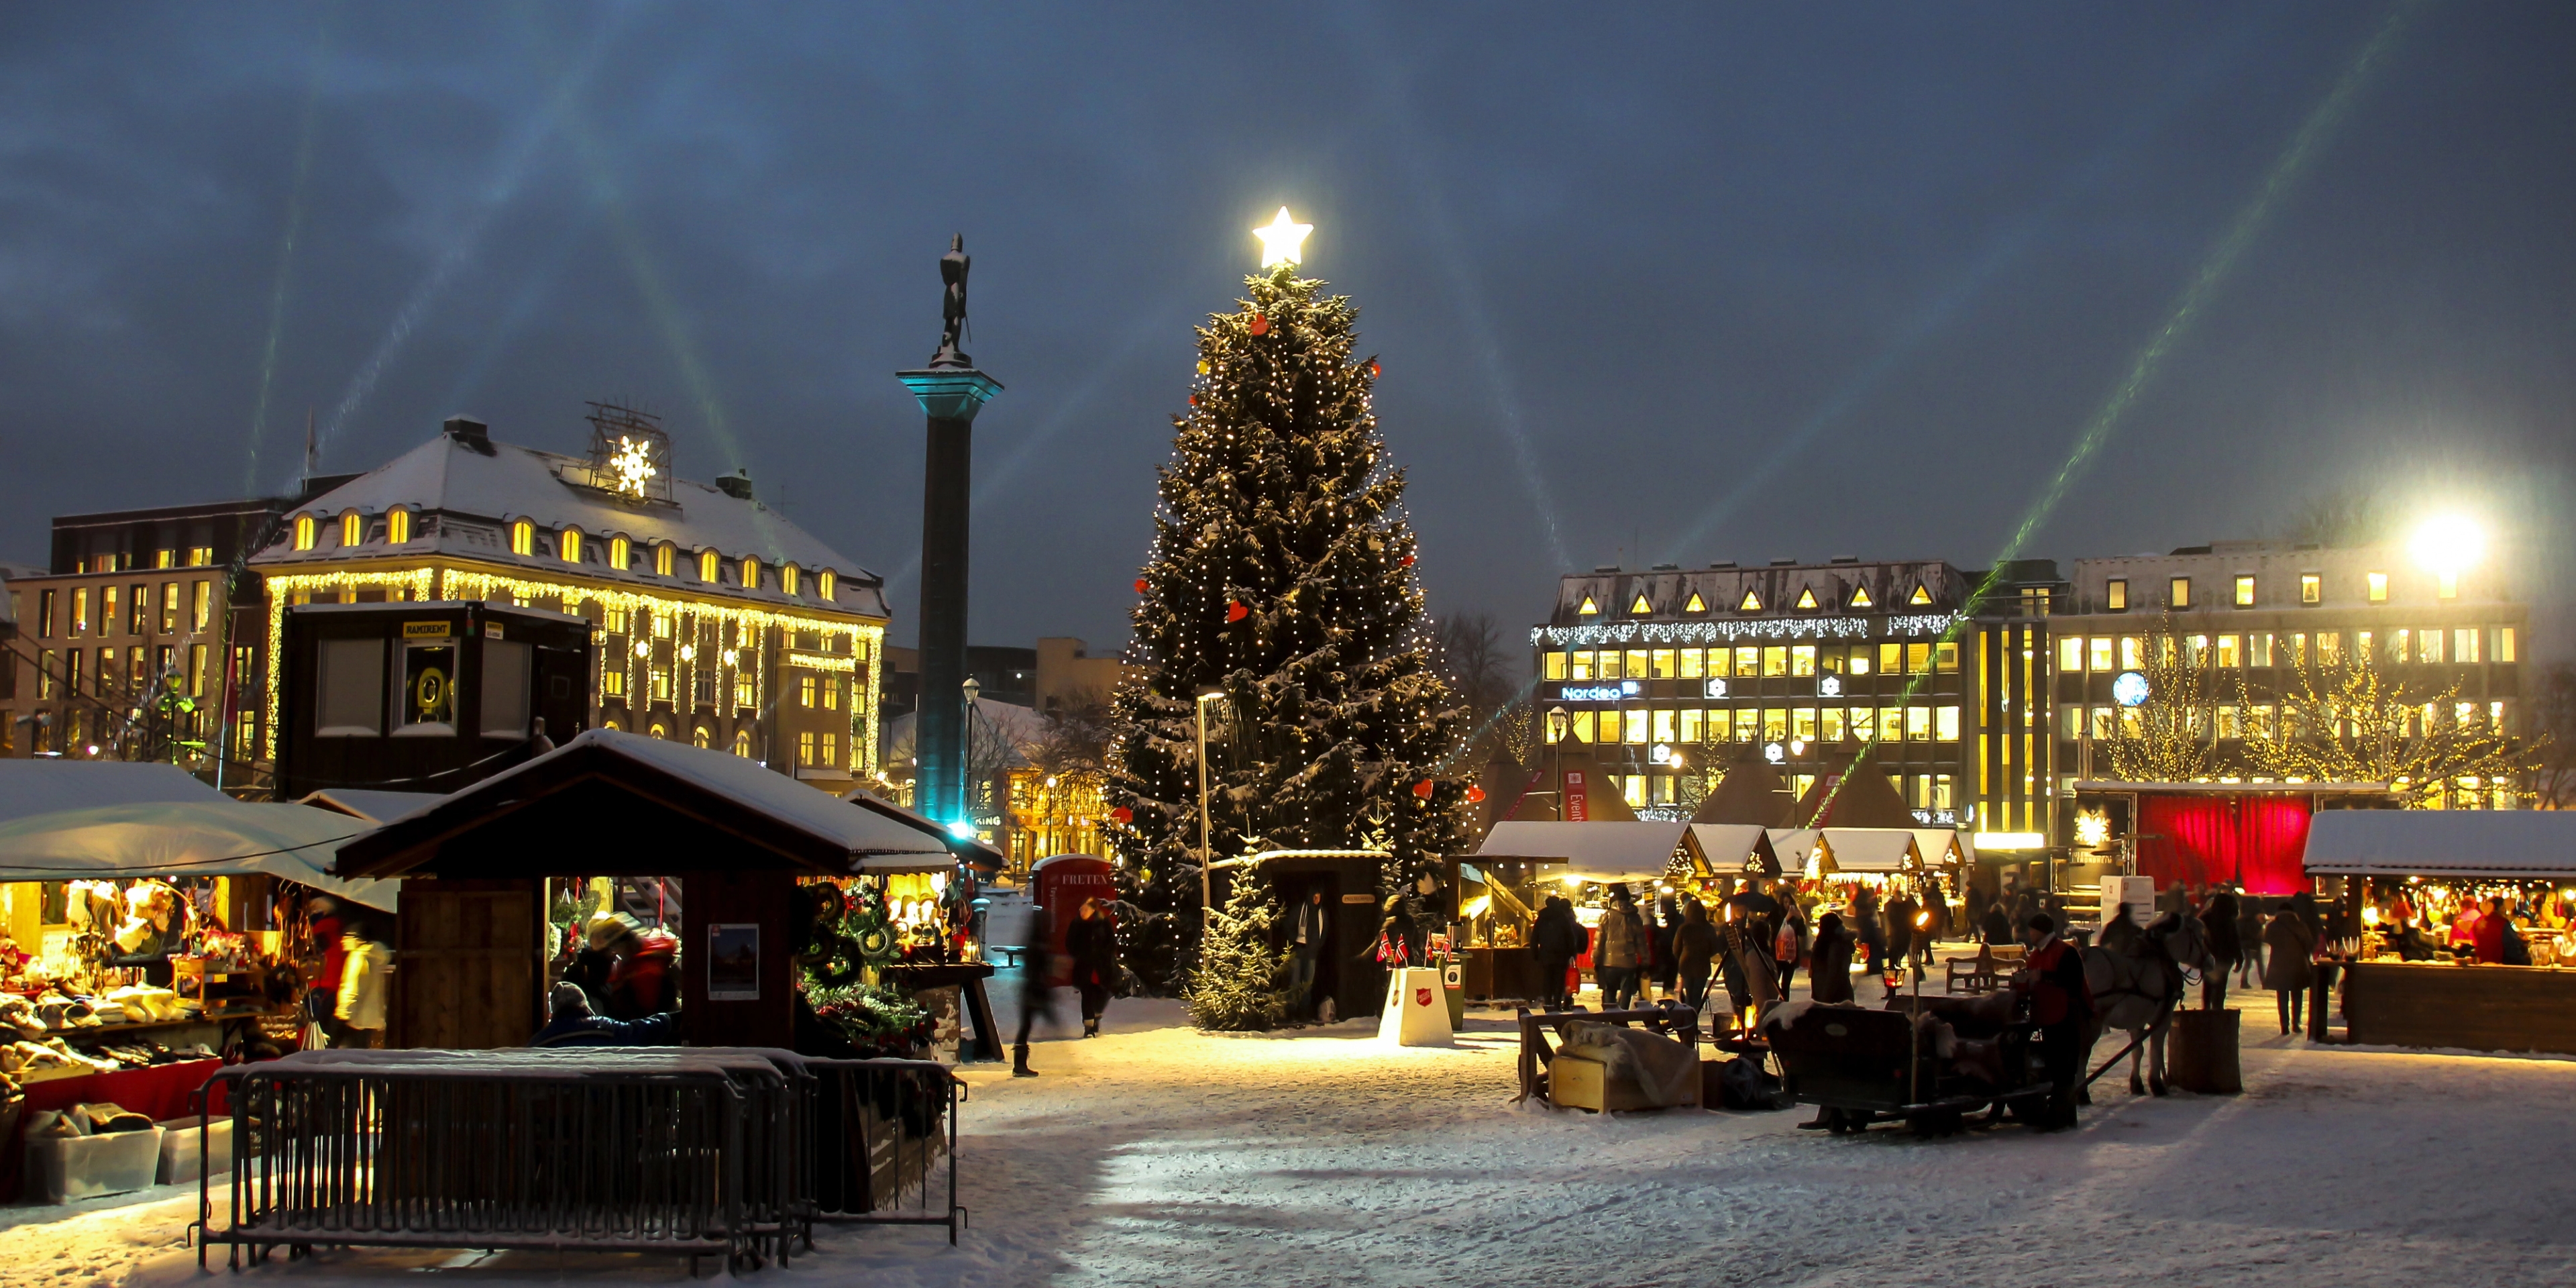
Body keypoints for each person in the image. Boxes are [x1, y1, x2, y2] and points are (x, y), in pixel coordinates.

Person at [2012, 912, 2094, 1131]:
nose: (2029, 934)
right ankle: (2060, 1114)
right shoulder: (2036, 954)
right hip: (2047, 1016)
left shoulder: (2066, 952)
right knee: (2054, 1067)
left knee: (2064, 1069)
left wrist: (2044, 978)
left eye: (2032, 930)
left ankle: (2062, 1117)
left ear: (2041, 931)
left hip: (2065, 1017)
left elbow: (2074, 985)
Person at [534, 981, 679, 1046]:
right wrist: (668, 1019)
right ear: (584, 1005)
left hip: (557, 1107)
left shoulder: (539, 1043)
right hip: (602, 1106)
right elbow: (638, 1032)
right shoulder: (604, 1028)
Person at [595, 915, 678, 1020]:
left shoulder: (646, 971)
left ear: (625, 943)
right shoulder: (636, 965)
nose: (614, 952)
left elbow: (647, 1016)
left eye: (614, 946)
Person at [1012, 903, 1058, 1077]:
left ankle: (1020, 1063)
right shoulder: (1039, 944)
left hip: (1031, 988)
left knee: (1026, 1024)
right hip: (1034, 989)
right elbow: (1038, 968)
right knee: (1026, 1025)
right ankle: (1019, 1065)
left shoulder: (1035, 941)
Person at [333, 919, 391, 1049]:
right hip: (369, 1018)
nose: (343, 941)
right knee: (362, 1056)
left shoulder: (359, 957)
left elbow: (356, 987)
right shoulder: (374, 956)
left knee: (344, 1057)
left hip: (356, 1019)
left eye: (346, 937)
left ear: (356, 939)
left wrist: (346, 1013)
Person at [1066, 897, 1118, 1038]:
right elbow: (1070, 943)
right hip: (1085, 966)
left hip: (1102, 965)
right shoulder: (1076, 924)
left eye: (1086, 909)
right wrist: (1080, 955)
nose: (1083, 912)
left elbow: (1111, 942)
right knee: (1087, 994)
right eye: (1081, 909)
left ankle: (1096, 1016)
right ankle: (1088, 1027)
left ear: (1094, 910)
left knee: (1103, 993)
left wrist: (1105, 954)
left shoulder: (1103, 922)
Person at [2263, 903, 2317, 1035]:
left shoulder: (2273, 926)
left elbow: (2267, 939)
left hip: (2279, 965)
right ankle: (2296, 1023)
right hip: (2298, 965)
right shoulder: (2301, 926)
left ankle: (2284, 1025)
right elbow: (2310, 943)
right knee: (2297, 995)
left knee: (2282, 996)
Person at [304, 895, 350, 1049]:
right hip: (336, 985)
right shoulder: (339, 930)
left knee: (319, 1028)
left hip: (322, 985)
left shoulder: (321, 930)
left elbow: (312, 958)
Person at [1529, 895, 1585, 1010]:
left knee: (1547, 978)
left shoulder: (1542, 918)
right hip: (1561, 955)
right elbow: (1569, 937)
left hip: (1546, 953)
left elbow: (1535, 937)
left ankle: (1548, 1002)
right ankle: (1557, 1004)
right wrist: (1571, 953)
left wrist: (1535, 953)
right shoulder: (1562, 917)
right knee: (1559, 980)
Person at [1595, 890, 1646, 1009]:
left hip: (1609, 960)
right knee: (1626, 990)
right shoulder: (1635, 917)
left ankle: (1610, 1014)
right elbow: (1641, 942)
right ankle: (1622, 1015)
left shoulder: (1607, 916)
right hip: (1629, 961)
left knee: (1609, 990)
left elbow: (1599, 940)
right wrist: (1645, 959)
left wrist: (1596, 958)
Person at [1674, 900, 1721, 1015]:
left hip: (1686, 963)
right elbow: (1715, 946)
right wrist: (1705, 954)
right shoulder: (1708, 928)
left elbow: (1676, 948)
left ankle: (1689, 1022)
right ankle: (1693, 1020)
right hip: (1702, 964)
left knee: (1689, 994)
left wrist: (1682, 956)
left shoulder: (1684, 928)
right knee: (1697, 995)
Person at [2200, 888, 2243, 1010]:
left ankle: (2206, 1010)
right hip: (2224, 959)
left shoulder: (2205, 918)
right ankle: (2217, 1011)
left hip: (2207, 958)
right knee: (2220, 987)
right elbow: (2235, 942)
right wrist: (2239, 958)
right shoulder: (2229, 920)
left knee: (2208, 986)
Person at [1290, 890, 1328, 1018]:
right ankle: (1293, 1011)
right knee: (1295, 982)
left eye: (1319, 897)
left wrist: (1317, 945)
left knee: (1308, 984)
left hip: (1312, 953)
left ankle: (1304, 1012)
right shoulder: (1300, 910)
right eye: (1314, 897)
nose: (1316, 900)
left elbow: (1324, 932)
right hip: (1299, 949)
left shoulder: (1322, 913)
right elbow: (1288, 925)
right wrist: (1294, 939)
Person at [1807, 912, 1854, 1004]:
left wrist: (1825, 998)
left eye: (1821, 925)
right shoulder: (1823, 944)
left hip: (1834, 997)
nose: (1819, 927)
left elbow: (1833, 975)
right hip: (1826, 993)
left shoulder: (1836, 946)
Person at [1884, 887, 1921, 997]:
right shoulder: (1901, 906)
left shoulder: (1893, 906)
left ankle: (1891, 990)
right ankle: (1891, 989)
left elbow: (1889, 921)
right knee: (1894, 964)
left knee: (1893, 964)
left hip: (1899, 937)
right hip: (1900, 936)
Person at [1649, 895, 1682, 1002]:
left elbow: (1669, 938)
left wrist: (1656, 929)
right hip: (1672, 957)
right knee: (1669, 984)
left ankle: (1671, 1008)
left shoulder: (1675, 920)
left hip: (1670, 957)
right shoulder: (1676, 918)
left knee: (1669, 984)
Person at [1774, 901, 1807, 995]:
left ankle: (1785, 1003)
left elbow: (1803, 933)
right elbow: (1776, 932)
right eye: (1785, 902)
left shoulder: (1795, 918)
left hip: (1791, 953)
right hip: (1778, 954)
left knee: (1786, 984)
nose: (1788, 905)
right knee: (1774, 982)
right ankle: (1774, 1002)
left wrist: (1800, 919)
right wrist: (1786, 918)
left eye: (1790, 902)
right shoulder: (1776, 915)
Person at [1850, 886, 1884, 977]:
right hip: (1868, 926)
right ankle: (1875, 966)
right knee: (1875, 946)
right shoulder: (1865, 905)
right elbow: (1870, 912)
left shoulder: (1858, 903)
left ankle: (1874, 966)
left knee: (1874, 947)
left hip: (1865, 926)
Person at [2236, 894, 2268, 987]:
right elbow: (2259, 928)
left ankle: (2244, 981)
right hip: (2255, 942)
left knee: (2248, 963)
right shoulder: (2256, 916)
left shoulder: (2242, 918)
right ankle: (2264, 982)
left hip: (2246, 943)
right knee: (2259, 964)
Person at [2471, 895, 2508, 965]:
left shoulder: (2478, 921)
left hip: (2481, 961)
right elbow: (2511, 944)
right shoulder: (2502, 922)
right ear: (2501, 908)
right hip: (2499, 962)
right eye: (2504, 906)